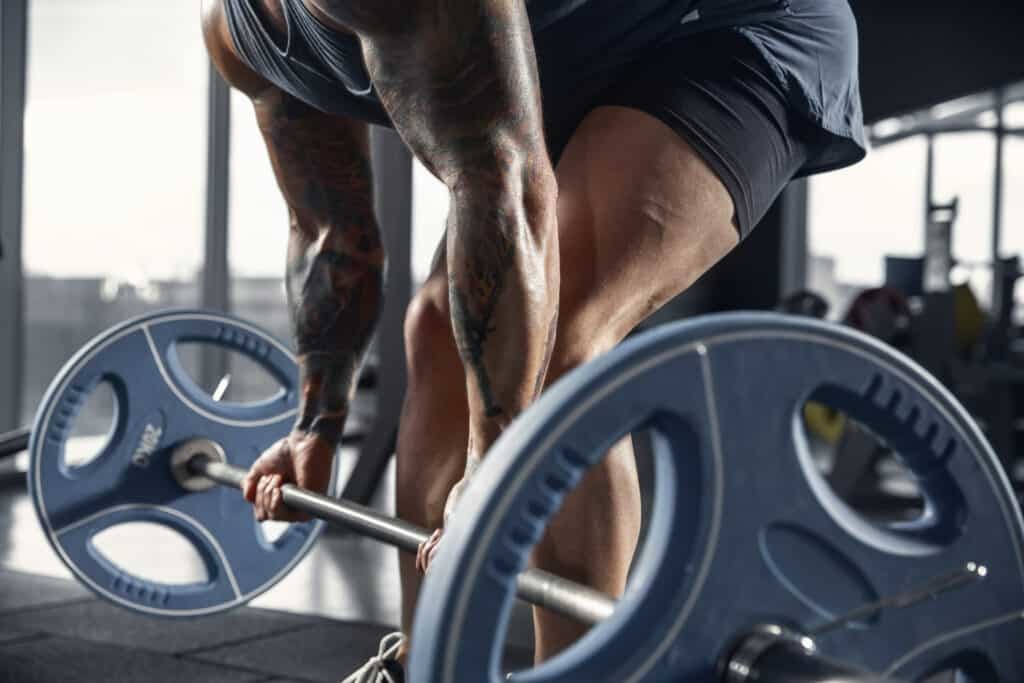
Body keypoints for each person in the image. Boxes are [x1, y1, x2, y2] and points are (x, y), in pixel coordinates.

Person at [200, 0, 866, 679]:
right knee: (435, 323)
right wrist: (317, 422)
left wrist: (493, 472)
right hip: (571, 72)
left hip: (731, 31)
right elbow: (330, 236)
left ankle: (582, 671)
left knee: (561, 344)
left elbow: (505, 182)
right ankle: (428, 664)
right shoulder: (237, 31)